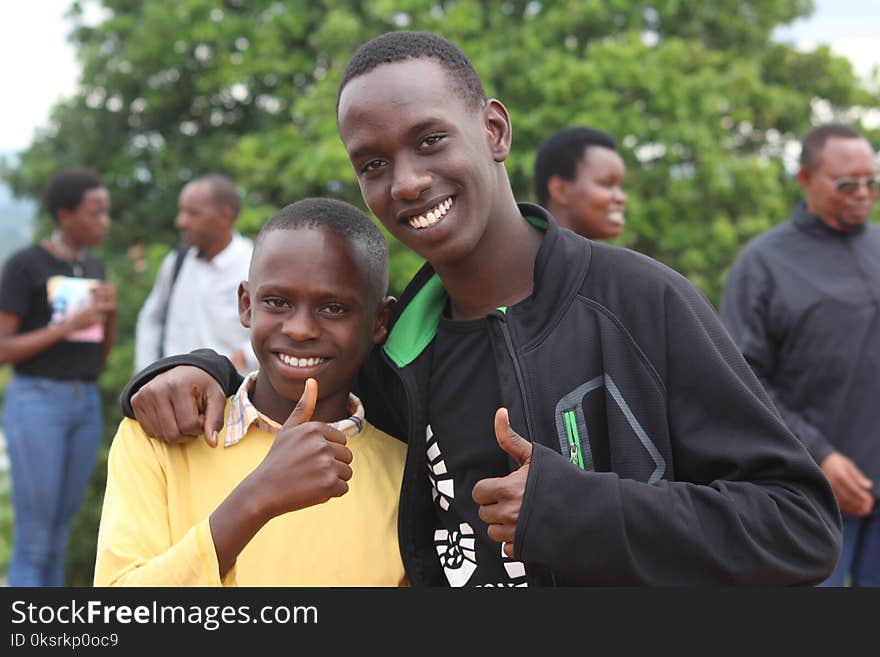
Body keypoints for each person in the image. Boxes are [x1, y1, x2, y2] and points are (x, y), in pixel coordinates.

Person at [119, 31, 841, 586]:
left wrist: (582, 510)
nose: (406, 181)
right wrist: (197, 368)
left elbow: (801, 526)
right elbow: (294, 369)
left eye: (430, 140)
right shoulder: (399, 354)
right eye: (371, 163)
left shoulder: (639, 301)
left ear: (494, 131)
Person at [95, 198, 405, 586]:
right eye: (277, 302)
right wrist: (255, 499)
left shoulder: (408, 474)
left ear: (379, 322)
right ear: (246, 304)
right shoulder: (159, 436)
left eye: (333, 308)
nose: (300, 329)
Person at [721, 123, 879, 587]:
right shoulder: (764, 264)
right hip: (811, 494)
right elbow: (742, 381)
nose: (863, 194)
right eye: (846, 183)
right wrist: (821, 456)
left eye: (872, 181)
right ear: (806, 179)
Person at [0, 167, 117, 586]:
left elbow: (98, 354)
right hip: (38, 400)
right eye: (95, 213)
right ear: (65, 215)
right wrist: (67, 325)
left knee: (59, 535)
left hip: (82, 401)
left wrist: (110, 311)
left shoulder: (93, 266)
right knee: (35, 538)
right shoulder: (25, 266)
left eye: (106, 212)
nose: (104, 221)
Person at [134, 173, 256, 373]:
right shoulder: (177, 262)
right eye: (182, 212)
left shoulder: (253, 266)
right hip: (172, 392)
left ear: (224, 216)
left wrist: (247, 355)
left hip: (230, 396)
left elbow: (275, 328)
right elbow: (151, 318)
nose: (180, 222)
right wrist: (146, 373)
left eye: (192, 213)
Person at [533, 126, 627, 240]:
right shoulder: (519, 254)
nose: (621, 198)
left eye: (620, 186)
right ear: (560, 190)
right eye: (607, 184)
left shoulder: (593, 257)